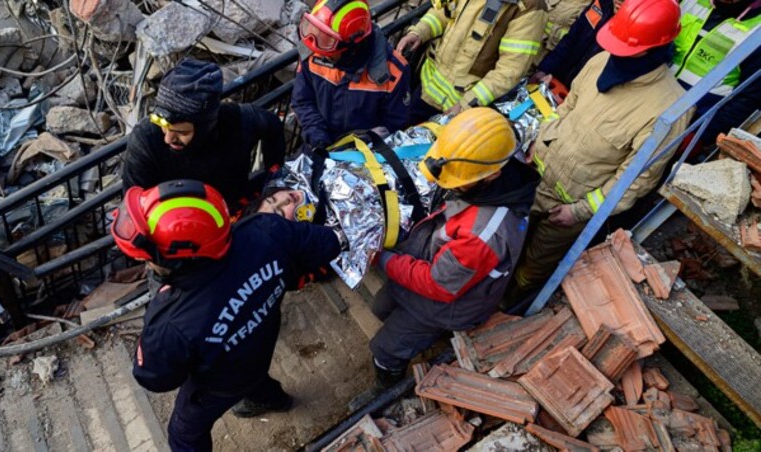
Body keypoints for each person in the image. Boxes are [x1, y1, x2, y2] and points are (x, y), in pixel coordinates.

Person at [110, 179, 341, 451]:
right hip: (260, 344)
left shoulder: (170, 325)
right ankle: (272, 399)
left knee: (184, 433)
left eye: (148, 258)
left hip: (218, 380)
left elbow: (156, 378)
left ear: (178, 261)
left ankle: (269, 398)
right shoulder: (267, 230)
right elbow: (328, 244)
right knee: (252, 377)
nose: (144, 261)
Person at [508, 0, 694, 306]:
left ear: (653, 47)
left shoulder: (668, 109)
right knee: (505, 249)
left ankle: (510, 307)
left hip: (567, 210)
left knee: (531, 269)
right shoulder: (601, 61)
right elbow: (567, 108)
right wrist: (539, 141)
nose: (617, 52)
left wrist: (578, 212)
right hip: (532, 180)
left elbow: (635, 180)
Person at [367, 108, 540, 387]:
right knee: (381, 307)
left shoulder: (484, 234)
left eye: (456, 180)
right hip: (429, 268)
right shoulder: (492, 160)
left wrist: (383, 259)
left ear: (491, 176)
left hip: (446, 303)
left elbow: (439, 284)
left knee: (385, 349)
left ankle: (387, 382)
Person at [122, 58, 286, 213]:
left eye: (182, 132)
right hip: (174, 222)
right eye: (163, 125)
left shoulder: (238, 121)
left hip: (231, 210)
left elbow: (273, 127)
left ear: (205, 127)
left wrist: (273, 175)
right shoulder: (146, 140)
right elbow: (133, 204)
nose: (168, 138)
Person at [397, 0, 547, 123]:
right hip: (426, 89)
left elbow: (509, 71)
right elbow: (444, 12)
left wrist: (466, 104)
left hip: (460, 112)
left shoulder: (529, 8)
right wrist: (420, 32)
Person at [293, 0, 411, 149]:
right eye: (316, 31)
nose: (318, 46)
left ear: (352, 47)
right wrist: (317, 136)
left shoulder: (393, 71)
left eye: (327, 40)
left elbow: (396, 124)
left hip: (365, 155)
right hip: (320, 144)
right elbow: (302, 101)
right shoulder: (313, 51)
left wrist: (368, 140)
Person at [672, 0, 760, 145]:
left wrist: (698, 138)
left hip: (690, 124)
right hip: (649, 100)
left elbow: (747, 99)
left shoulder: (757, 32)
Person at [533, 0, 623, 88]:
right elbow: (572, 37)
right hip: (557, 81)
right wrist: (546, 69)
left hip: (583, 92)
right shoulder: (601, 3)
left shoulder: (633, 32)